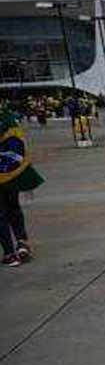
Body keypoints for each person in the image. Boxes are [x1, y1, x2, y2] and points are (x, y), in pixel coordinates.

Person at [0, 104, 44, 267]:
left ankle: (9, 253)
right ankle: (21, 242)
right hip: (10, 173)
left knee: (1, 214)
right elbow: (19, 145)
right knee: (13, 208)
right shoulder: (8, 118)